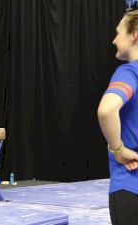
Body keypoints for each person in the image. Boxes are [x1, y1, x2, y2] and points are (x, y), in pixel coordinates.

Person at [97, 10, 138, 225]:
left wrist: (118, 149)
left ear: (134, 35)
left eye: (118, 33)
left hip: (130, 186)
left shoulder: (129, 72)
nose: (114, 40)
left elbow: (106, 110)